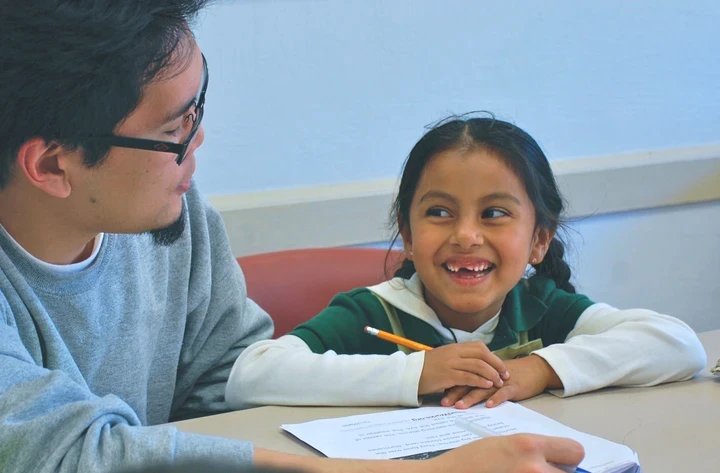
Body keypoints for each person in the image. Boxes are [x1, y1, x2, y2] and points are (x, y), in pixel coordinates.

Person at [0, 1, 587, 473]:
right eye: (174, 128)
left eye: (198, 106)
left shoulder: (174, 219)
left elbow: (227, 384)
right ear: (52, 166)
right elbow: (62, 454)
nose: (199, 141)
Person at [227, 115, 707, 410]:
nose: (466, 235)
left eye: (494, 214)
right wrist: (420, 373)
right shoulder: (372, 313)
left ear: (539, 240)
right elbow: (250, 377)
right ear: (408, 234)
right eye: (439, 213)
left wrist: (539, 369)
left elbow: (679, 345)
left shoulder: (542, 306)